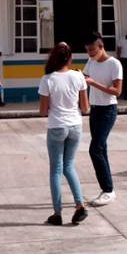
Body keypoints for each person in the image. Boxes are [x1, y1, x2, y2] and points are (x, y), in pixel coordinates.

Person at [38, 42, 89, 226]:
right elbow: (85, 107)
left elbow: (43, 111)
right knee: (69, 166)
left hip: (56, 126)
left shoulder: (48, 79)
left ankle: (57, 213)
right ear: (70, 58)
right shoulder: (78, 77)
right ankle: (79, 205)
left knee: (56, 170)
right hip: (75, 125)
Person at [83, 33, 123, 207]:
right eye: (88, 51)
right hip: (95, 109)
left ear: (101, 46)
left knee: (95, 149)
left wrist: (93, 83)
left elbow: (117, 91)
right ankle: (108, 189)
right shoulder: (91, 62)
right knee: (101, 149)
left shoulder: (114, 63)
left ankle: (108, 190)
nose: (90, 54)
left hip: (108, 110)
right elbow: (84, 79)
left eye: (92, 50)